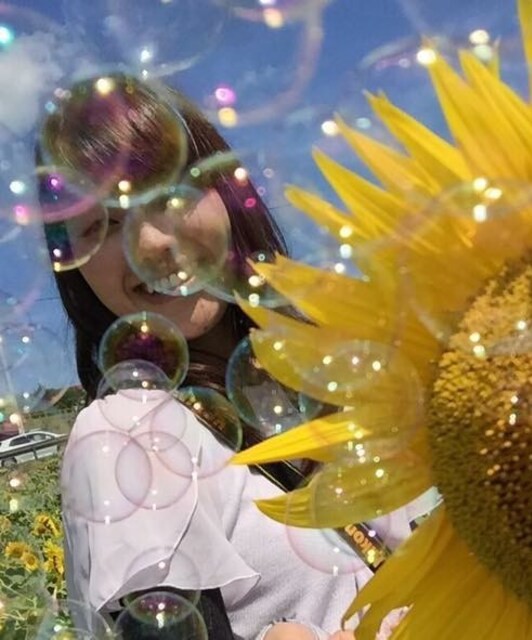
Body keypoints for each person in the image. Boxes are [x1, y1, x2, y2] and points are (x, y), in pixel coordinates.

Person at [41, 73, 416, 640]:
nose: (153, 244)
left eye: (167, 192)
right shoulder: (127, 433)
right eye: (102, 224)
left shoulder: (321, 376)